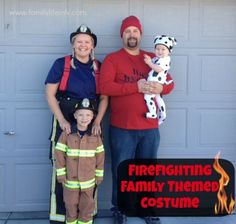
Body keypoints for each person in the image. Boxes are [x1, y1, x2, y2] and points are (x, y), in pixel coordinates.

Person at [99, 16, 174, 224]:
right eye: (127, 31)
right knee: (121, 171)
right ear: (122, 35)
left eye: (135, 31)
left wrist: (162, 88)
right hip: (122, 129)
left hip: (150, 128)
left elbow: (169, 82)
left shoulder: (153, 57)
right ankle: (120, 210)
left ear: (140, 34)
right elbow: (104, 87)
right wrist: (135, 87)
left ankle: (147, 208)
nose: (132, 35)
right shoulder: (113, 59)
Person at [45, 25, 108, 223]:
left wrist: (97, 121)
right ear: (73, 45)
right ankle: (60, 216)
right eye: (79, 41)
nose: (83, 45)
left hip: (91, 123)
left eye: (87, 42)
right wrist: (62, 121)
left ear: (92, 46)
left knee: (91, 166)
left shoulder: (99, 67)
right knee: (62, 167)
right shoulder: (60, 64)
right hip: (65, 121)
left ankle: (87, 217)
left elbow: (105, 98)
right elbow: (50, 94)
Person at [54, 98, 105, 224]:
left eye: (88, 115)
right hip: (70, 182)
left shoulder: (95, 136)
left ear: (92, 117)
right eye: (80, 114)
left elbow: (100, 157)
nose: (84, 118)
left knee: (87, 208)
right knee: (70, 206)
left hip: (88, 182)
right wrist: (60, 173)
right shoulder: (67, 134)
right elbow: (59, 154)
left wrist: (99, 175)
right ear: (75, 116)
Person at [144, 35, 177, 124]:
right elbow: (154, 61)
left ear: (169, 51)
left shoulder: (165, 60)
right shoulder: (158, 58)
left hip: (156, 82)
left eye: (163, 49)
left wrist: (149, 63)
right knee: (158, 99)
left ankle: (153, 113)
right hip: (155, 80)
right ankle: (163, 114)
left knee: (148, 97)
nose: (160, 51)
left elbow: (158, 69)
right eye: (157, 49)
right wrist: (150, 60)